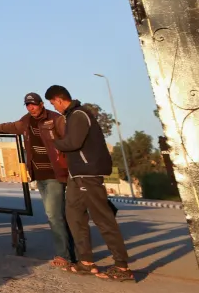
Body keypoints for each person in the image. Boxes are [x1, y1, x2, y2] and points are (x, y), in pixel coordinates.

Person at [45, 85, 134, 282]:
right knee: (74, 214)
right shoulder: (71, 116)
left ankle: (122, 266)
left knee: (103, 218)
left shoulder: (79, 115)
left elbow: (73, 143)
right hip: (77, 174)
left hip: (88, 173)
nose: (54, 107)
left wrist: (53, 141)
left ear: (59, 99)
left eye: (53, 103)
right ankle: (86, 262)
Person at [0, 92, 76, 268]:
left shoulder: (55, 119)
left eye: (33, 104)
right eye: (27, 105)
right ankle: (72, 252)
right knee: (57, 215)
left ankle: (64, 255)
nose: (31, 108)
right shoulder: (26, 121)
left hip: (55, 174)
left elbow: (70, 140)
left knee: (53, 215)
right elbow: (11, 127)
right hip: (38, 175)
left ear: (41, 104)